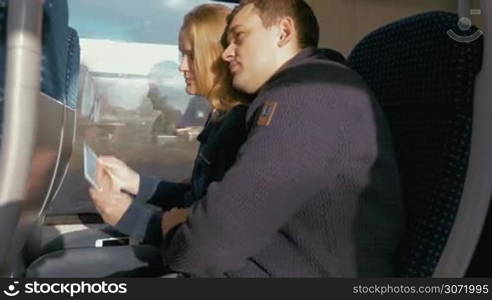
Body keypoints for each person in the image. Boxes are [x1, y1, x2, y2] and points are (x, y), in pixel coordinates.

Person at [91, 0, 405, 277]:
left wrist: (150, 223)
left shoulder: (311, 94)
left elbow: (207, 245)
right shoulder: (291, 96)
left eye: (238, 37)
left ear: (283, 32)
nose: (226, 54)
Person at [91, 4, 251, 245]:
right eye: (182, 55)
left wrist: (128, 215)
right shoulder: (219, 117)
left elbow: (209, 237)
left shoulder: (237, 125)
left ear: (218, 57)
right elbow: (194, 197)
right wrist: (133, 181)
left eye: (192, 56)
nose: (182, 66)